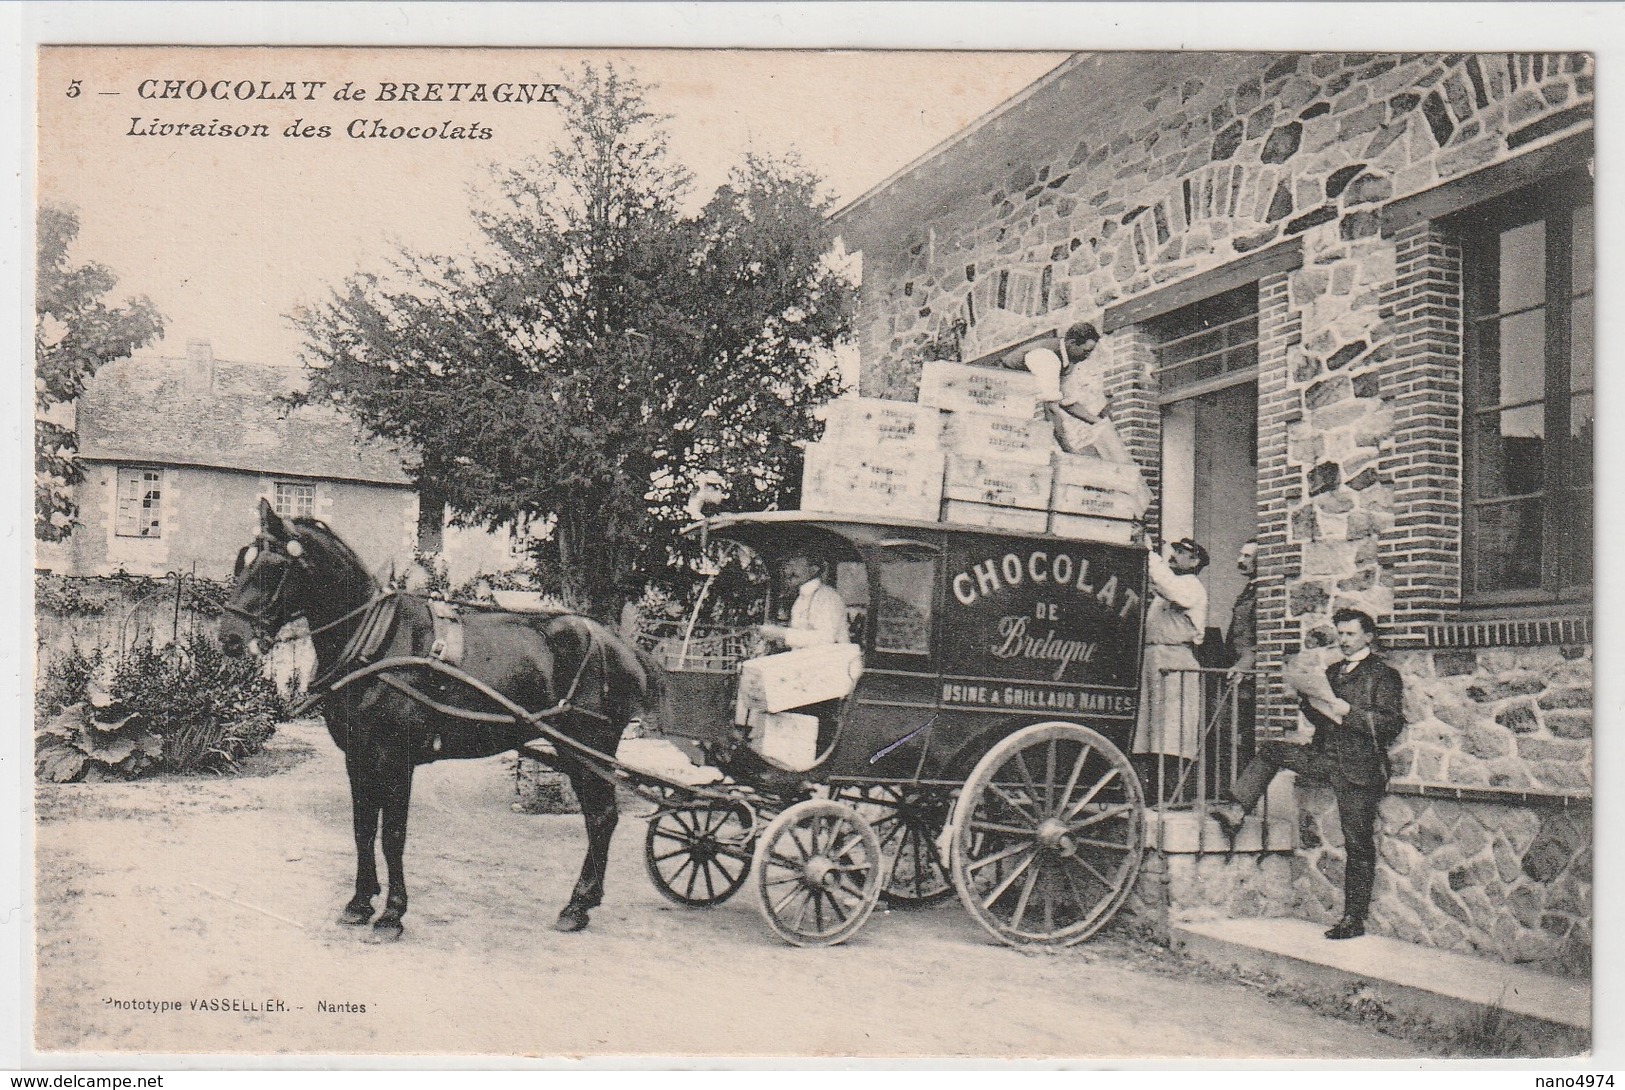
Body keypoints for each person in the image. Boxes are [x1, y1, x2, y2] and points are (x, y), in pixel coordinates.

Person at [1211, 608, 1406, 940]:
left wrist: (1349, 711)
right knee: (1272, 749)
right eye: (1340, 634)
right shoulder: (1332, 672)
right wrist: (1305, 700)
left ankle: (1352, 919)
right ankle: (1236, 808)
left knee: (1358, 843)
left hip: (1359, 767)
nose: (1343, 640)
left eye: (1350, 634)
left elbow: (1389, 724)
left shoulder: (1383, 675)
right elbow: (1321, 719)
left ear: (1368, 637)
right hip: (1325, 756)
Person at [1132, 537, 1209, 804]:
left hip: (1175, 661)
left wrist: (1151, 555)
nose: (1174, 555)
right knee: (1151, 732)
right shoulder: (1167, 588)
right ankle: (1152, 796)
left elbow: (1172, 588)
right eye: (1174, 551)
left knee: (1173, 733)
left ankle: (1174, 797)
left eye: (1181, 553)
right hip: (1155, 659)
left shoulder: (1190, 586)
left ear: (1195, 561)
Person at [1000, 321, 1120, 456]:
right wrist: (1067, 449)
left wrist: (1099, 422)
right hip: (1000, 393)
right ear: (1072, 343)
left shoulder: (1066, 360)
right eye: (1086, 351)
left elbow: (1067, 401)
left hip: (1015, 397)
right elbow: (1051, 408)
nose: (1087, 357)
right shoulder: (1048, 358)